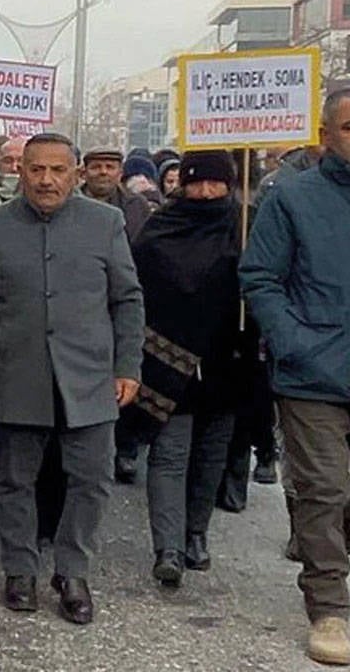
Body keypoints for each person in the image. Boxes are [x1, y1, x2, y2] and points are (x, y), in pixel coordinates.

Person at [0, 132, 144, 626]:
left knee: (92, 478)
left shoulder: (105, 223)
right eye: (36, 169)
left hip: (90, 377)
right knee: (14, 480)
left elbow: (127, 299)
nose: (46, 180)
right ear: (20, 172)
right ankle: (20, 570)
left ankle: (72, 572)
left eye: (57, 170)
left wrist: (128, 366)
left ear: (76, 174)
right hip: (18, 373)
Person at [239, 89, 350, 666]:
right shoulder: (292, 197)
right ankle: (330, 606)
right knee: (324, 489)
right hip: (314, 376)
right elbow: (260, 277)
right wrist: (296, 344)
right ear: (326, 135)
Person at [127, 150, 242, 589]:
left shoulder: (245, 227)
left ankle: (196, 533)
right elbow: (138, 288)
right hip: (168, 360)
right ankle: (168, 548)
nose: (207, 192)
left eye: (216, 183)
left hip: (227, 360)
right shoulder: (161, 229)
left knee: (211, 455)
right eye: (198, 182)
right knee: (170, 454)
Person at [80, 146, 151, 242]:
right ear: (84, 173)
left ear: (120, 173)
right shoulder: (69, 203)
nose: (103, 172)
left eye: (110, 167)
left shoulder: (136, 205)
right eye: (96, 167)